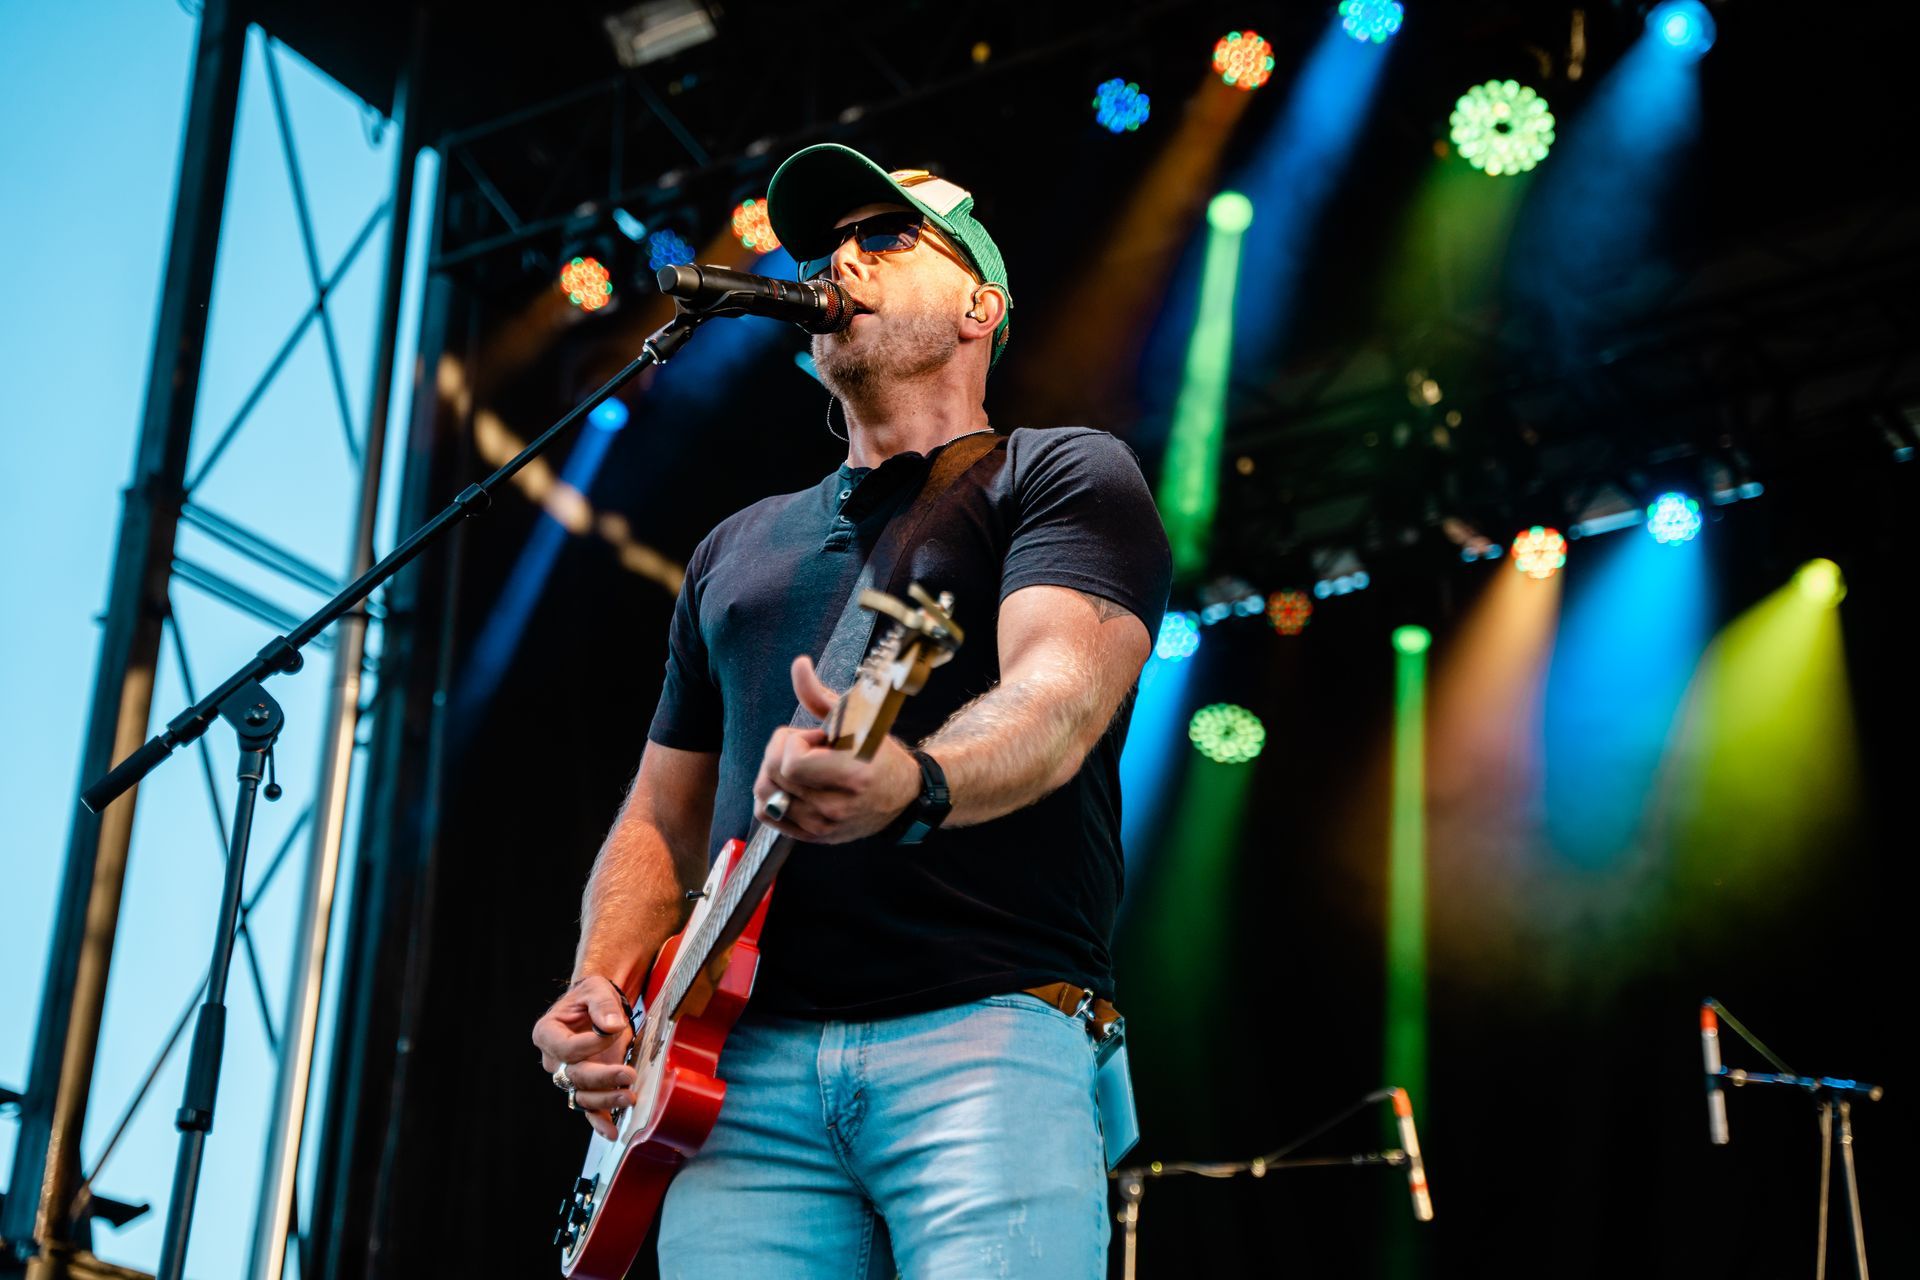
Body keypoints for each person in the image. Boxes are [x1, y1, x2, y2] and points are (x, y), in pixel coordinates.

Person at [531, 143, 1171, 1278]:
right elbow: (660, 816)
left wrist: (915, 781)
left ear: (982, 305)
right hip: (734, 1079)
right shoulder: (734, 545)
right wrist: (601, 980)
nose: (840, 257)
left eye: (883, 235)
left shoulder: (1060, 473)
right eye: (829, 239)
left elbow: (1058, 692)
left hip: (985, 1033)